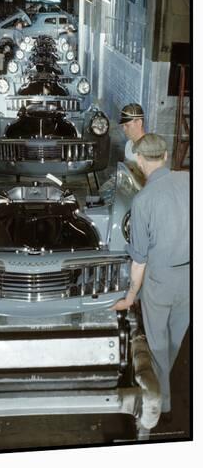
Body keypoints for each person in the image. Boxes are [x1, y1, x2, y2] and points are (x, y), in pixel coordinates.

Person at [111, 133, 189, 419]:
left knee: (156, 344)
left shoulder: (144, 200)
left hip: (160, 281)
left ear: (140, 161)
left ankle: (160, 406)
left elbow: (139, 260)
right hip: (190, 278)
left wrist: (130, 297)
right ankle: (162, 387)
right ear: (166, 156)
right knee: (175, 339)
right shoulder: (191, 181)